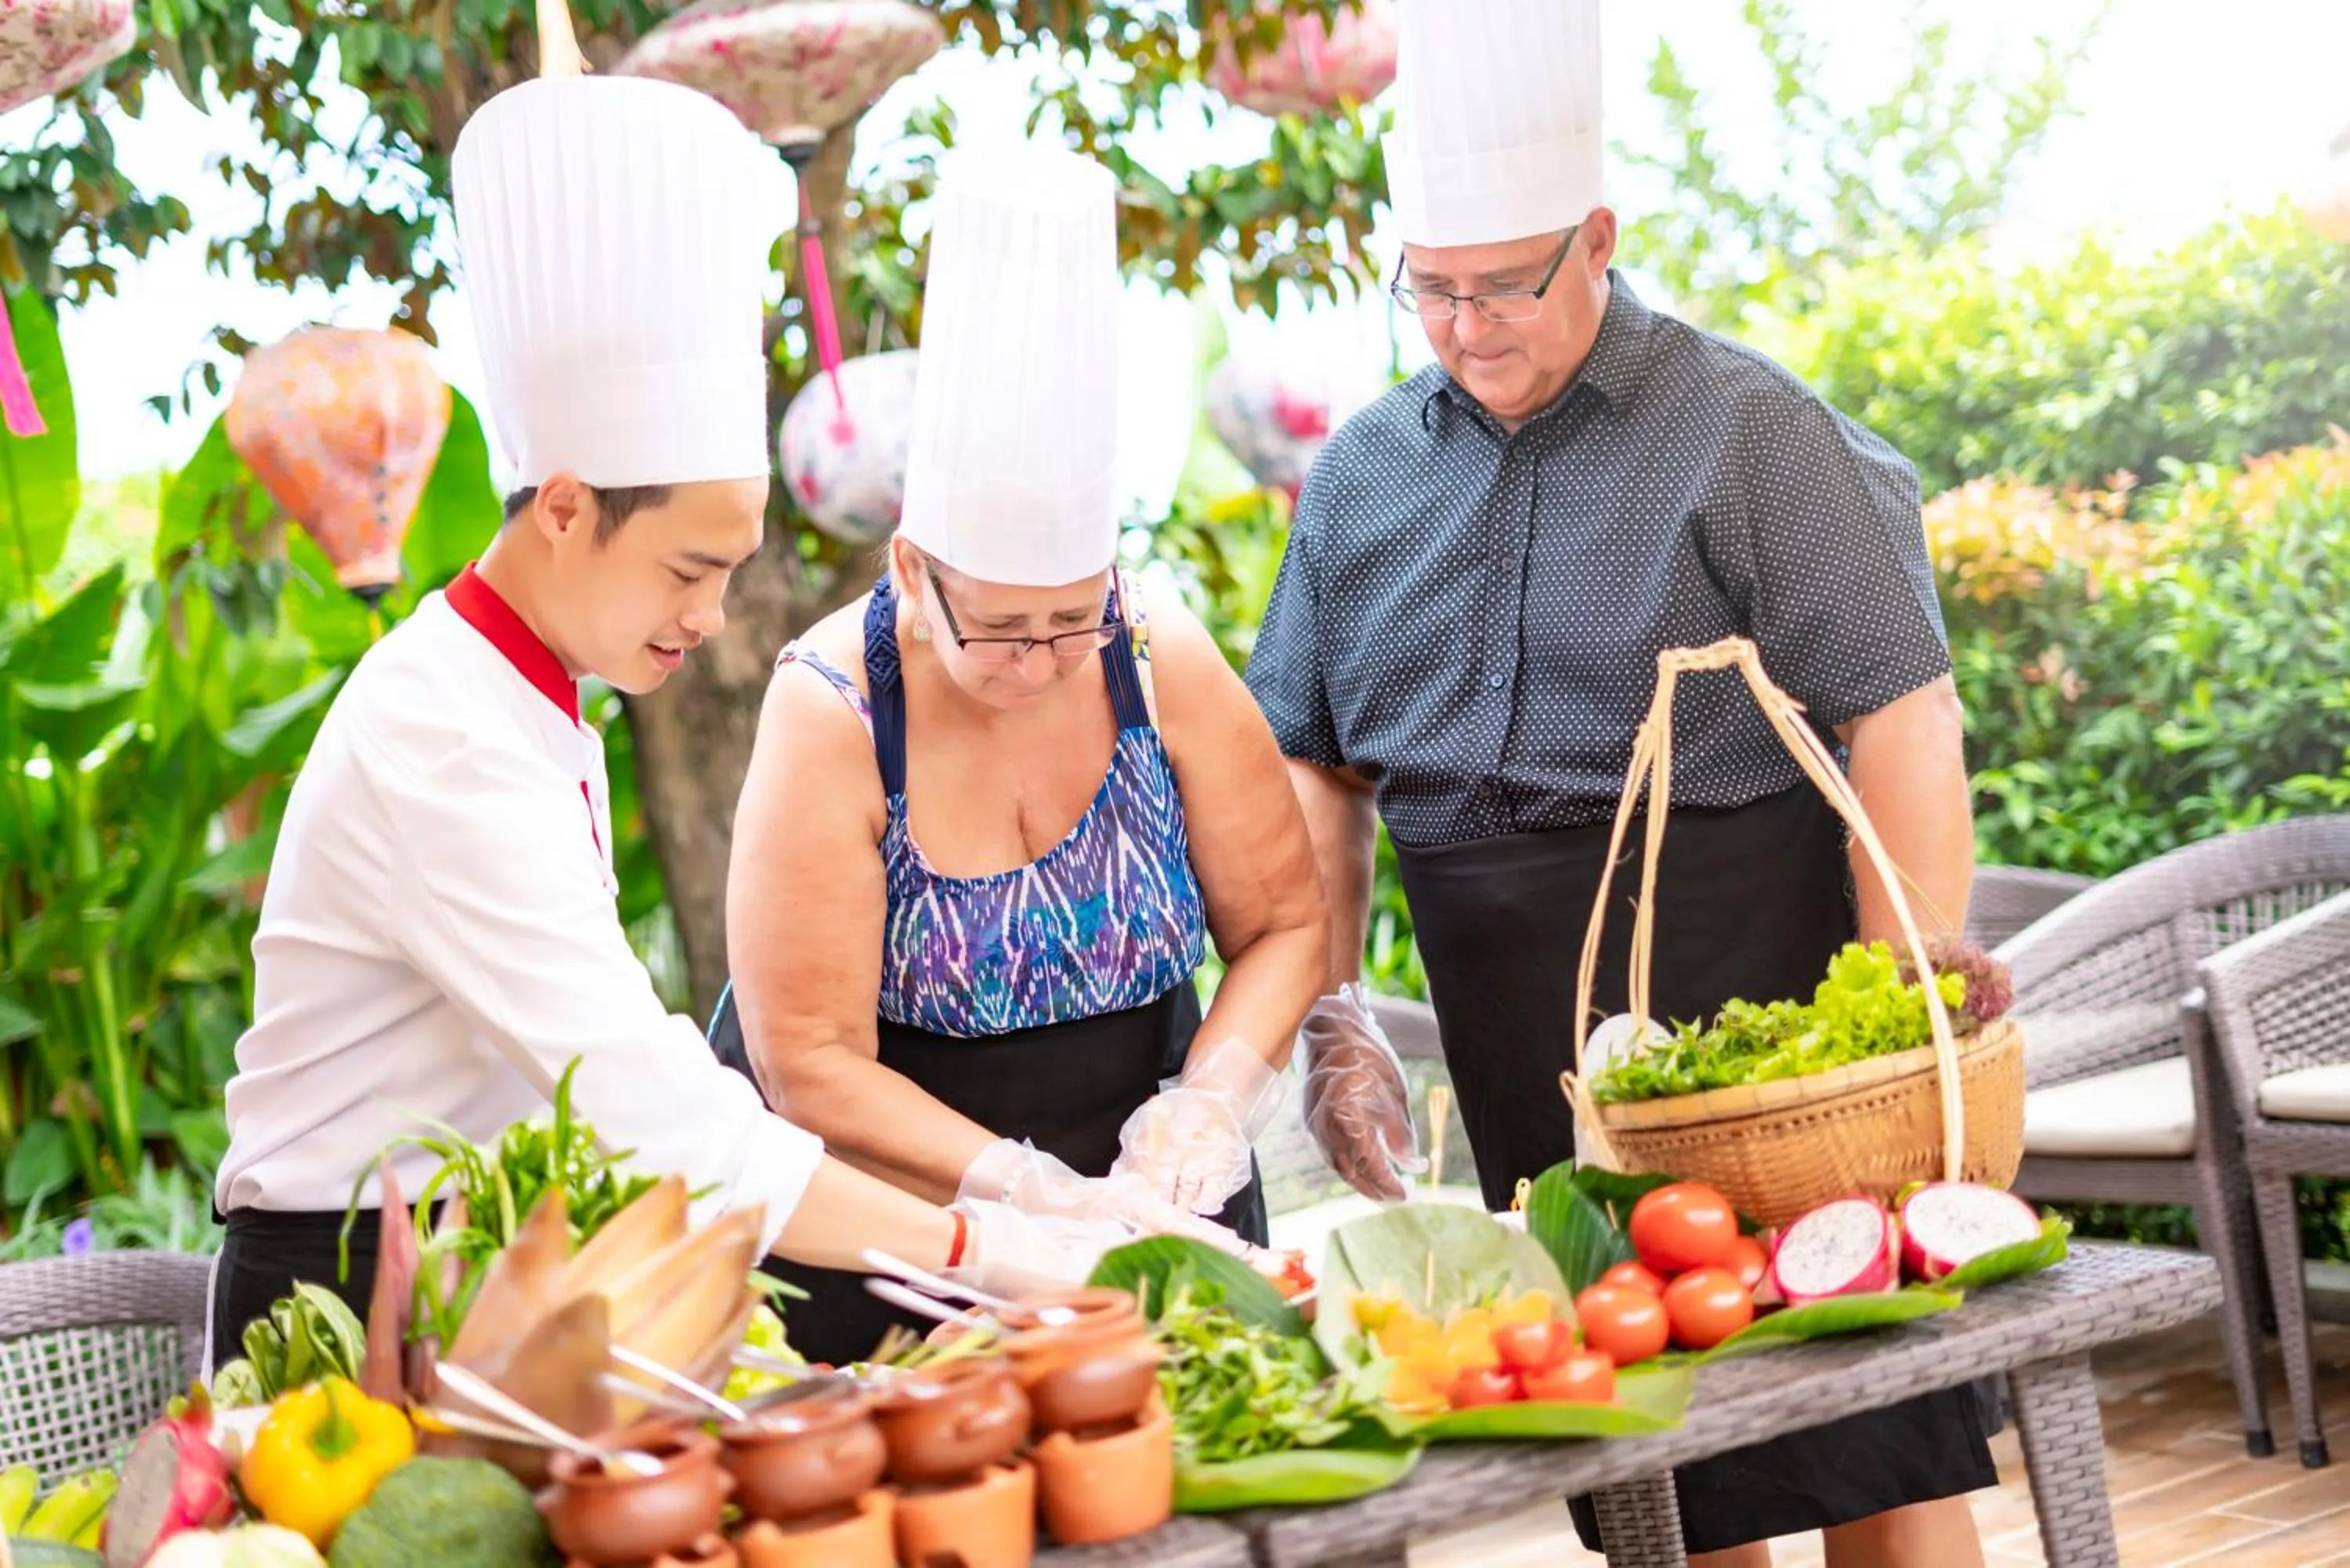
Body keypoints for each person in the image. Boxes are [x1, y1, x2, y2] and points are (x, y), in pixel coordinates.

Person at [208, 74, 1133, 1369]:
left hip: (477, 1261)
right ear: (569, 507)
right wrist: (990, 1248)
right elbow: (662, 1112)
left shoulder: (528, 696)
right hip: (338, 1283)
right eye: (688, 571)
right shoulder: (441, 734)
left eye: (728, 572)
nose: (707, 618)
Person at [1248, 3, 1990, 1565]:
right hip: (1513, 997)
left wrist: (1901, 1000)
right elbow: (1316, 768)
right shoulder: (1365, 474)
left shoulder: (1748, 427)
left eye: (1502, 286)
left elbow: (1903, 711)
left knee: (1857, 1401)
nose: (1465, 327)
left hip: (1746, 962)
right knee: (1649, 1427)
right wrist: (1331, 1013)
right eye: (1430, 291)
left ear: (1598, 236)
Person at [707, 145, 1329, 1367]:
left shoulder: (1153, 652)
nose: (1042, 661)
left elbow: (1286, 927)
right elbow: (808, 1063)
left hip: (1161, 1191)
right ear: (909, 572)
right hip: (905, 1226)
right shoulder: (832, 710)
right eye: (996, 629)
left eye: (1069, 617)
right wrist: (1023, 1191)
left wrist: (1203, 1105)